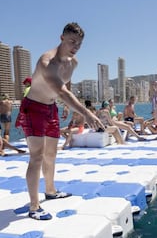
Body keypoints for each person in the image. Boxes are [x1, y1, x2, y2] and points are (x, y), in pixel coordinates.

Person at [14, 23, 104, 220]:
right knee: (36, 156)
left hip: (51, 108)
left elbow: (66, 85)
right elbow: (61, 90)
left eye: (79, 44)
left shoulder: (73, 63)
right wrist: (87, 114)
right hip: (34, 108)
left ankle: (50, 190)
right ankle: (34, 206)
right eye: (72, 41)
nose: (75, 46)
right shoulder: (47, 62)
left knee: (51, 154)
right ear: (61, 38)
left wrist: (64, 106)